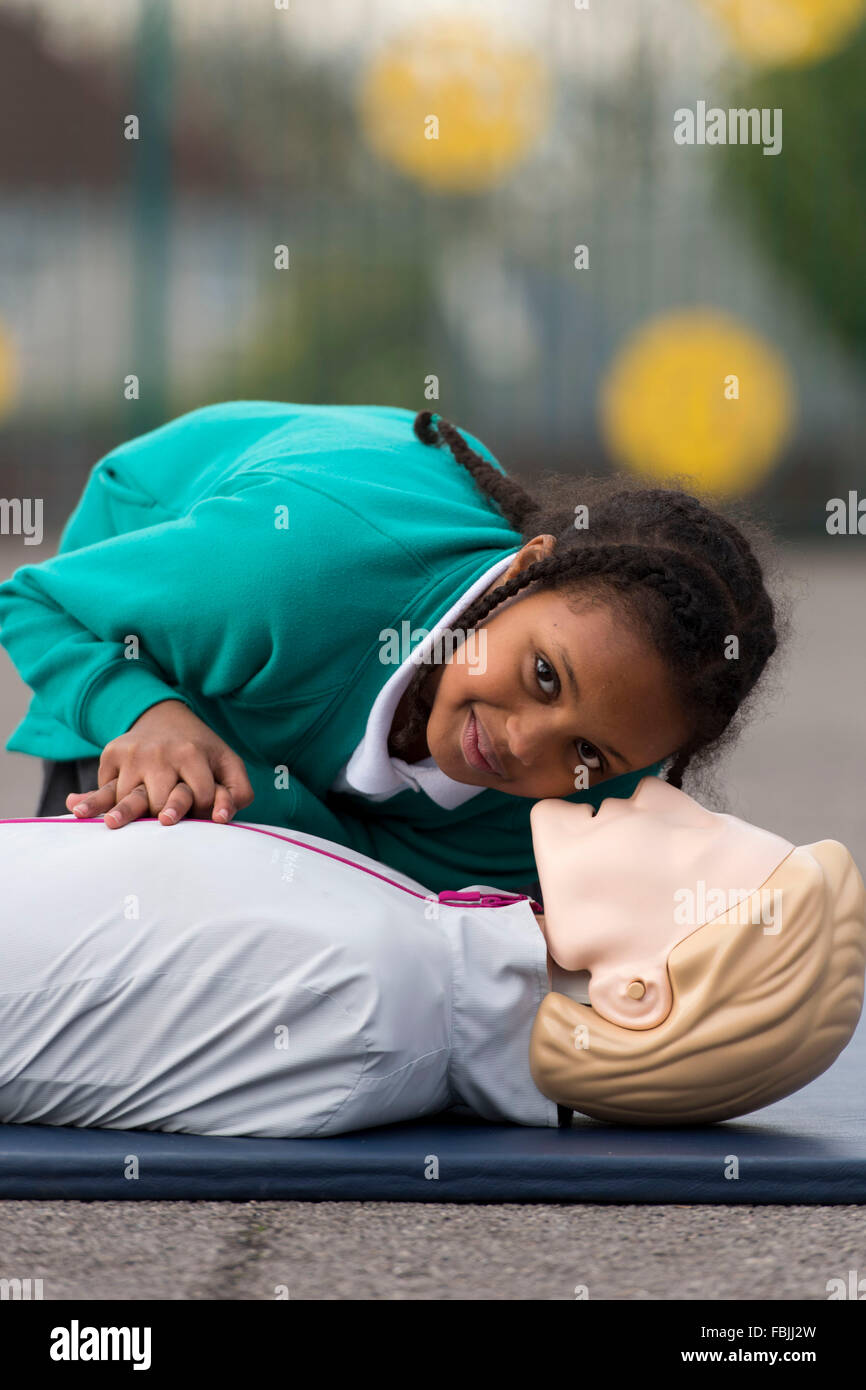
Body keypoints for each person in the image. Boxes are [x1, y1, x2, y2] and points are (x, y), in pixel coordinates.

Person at [0, 401, 781, 894]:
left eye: (588, 750)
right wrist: (149, 714)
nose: (519, 743)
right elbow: (38, 601)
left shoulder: (579, 798)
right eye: (544, 675)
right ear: (526, 568)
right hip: (153, 624)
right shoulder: (280, 575)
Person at [0, 776, 861, 1138]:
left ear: (635, 994)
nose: (662, 793)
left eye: (697, 845)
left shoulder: (360, 996)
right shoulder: (406, 957)